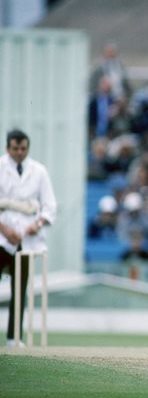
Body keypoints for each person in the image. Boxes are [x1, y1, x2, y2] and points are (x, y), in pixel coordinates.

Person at [0, 129, 57, 348]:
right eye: (15, 148)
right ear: (8, 148)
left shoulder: (39, 171)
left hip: (26, 239)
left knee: (20, 288)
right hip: (2, 237)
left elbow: (50, 206)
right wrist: (4, 229)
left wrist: (38, 224)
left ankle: (14, 337)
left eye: (23, 149)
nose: (19, 153)